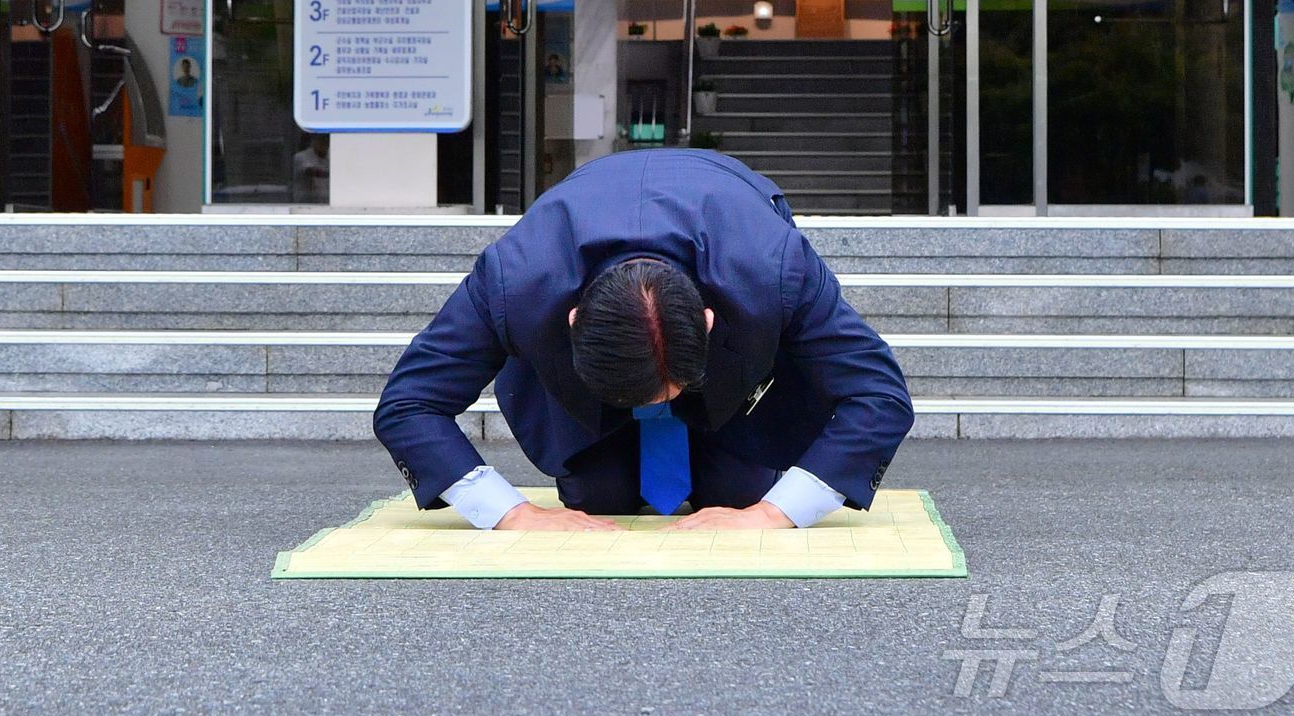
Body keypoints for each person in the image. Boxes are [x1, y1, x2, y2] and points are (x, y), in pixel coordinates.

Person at [374, 149, 915, 531]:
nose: (658, 407)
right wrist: (512, 515)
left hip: (727, 355)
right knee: (598, 500)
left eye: (673, 388)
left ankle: (725, 449)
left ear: (707, 322)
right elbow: (409, 403)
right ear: (572, 321)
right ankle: (618, 431)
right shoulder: (517, 278)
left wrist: (770, 515)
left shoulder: (772, 267)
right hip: (593, 344)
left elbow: (880, 397)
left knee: (739, 494)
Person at [292, 134, 330, 204]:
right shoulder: (301, 156)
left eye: (327, 142)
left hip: (325, 201)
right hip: (305, 202)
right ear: (314, 141)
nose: (324, 144)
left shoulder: (331, 155)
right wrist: (335, 173)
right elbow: (311, 171)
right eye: (321, 141)